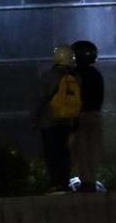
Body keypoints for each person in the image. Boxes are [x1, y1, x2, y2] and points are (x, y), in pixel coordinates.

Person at [31, 44, 80, 193]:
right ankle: (64, 183)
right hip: (68, 122)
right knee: (64, 154)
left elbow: (39, 100)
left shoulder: (47, 76)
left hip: (49, 122)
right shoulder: (76, 77)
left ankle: (56, 184)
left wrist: (34, 119)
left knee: (52, 154)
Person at [71, 40, 104, 192]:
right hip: (95, 114)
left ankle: (86, 181)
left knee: (82, 149)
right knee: (93, 149)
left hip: (81, 115)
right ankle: (92, 179)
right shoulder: (96, 74)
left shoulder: (75, 75)